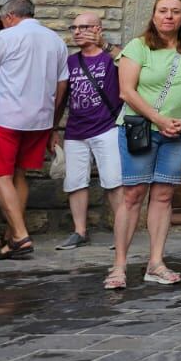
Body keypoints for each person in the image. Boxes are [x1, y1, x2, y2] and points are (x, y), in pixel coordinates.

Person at [109, 0, 181, 290]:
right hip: (141, 129)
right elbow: (127, 92)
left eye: (175, 11)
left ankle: (155, 263)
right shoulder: (138, 47)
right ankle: (119, 265)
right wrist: (160, 119)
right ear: (153, 15)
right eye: (163, 11)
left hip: (177, 132)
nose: (169, 16)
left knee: (164, 196)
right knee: (133, 195)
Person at [0, 0, 69, 261]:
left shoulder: (8, 37)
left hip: (5, 115)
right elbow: (62, 86)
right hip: (40, 118)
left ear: (9, 17)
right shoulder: (56, 41)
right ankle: (9, 238)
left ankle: (20, 235)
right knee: (20, 174)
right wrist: (53, 122)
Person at [54, 13, 124, 251]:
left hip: (107, 128)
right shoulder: (71, 61)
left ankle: (121, 232)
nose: (76, 31)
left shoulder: (110, 57)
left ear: (97, 29)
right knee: (75, 181)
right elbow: (61, 97)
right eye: (73, 27)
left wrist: (105, 44)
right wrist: (53, 128)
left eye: (83, 27)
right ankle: (79, 231)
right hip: (75, 130)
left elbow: (129, 61)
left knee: (114, 181)